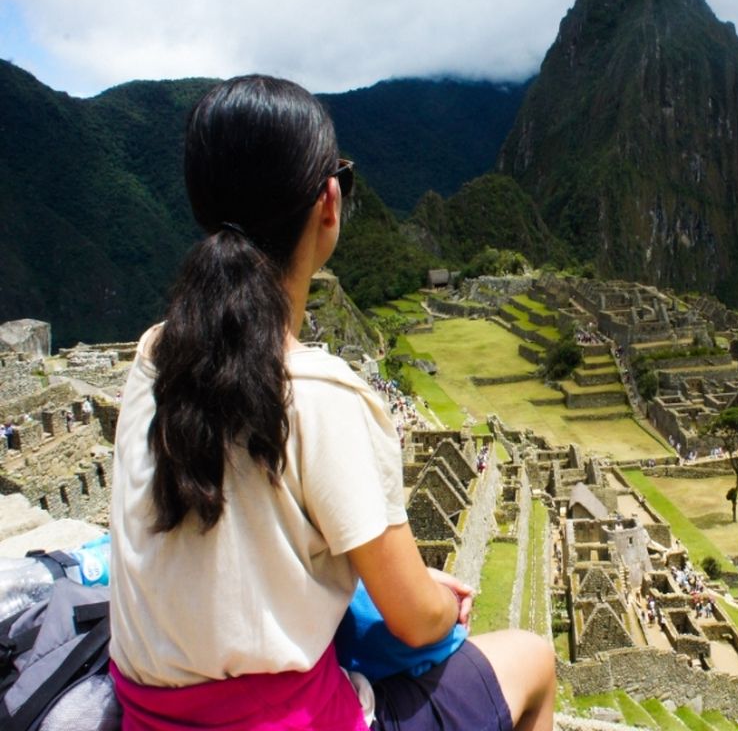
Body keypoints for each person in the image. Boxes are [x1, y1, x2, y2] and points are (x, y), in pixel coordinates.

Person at [107, 75, 555, 730]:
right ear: (328, 201)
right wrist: (437, 599)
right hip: (283, 720)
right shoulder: (322, 393)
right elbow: (417, 622)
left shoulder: (153, 356)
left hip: (150, 712)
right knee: (533, 659)